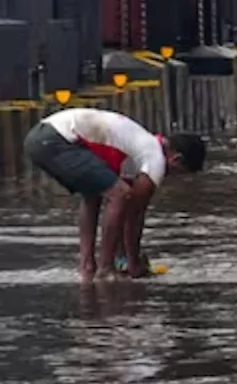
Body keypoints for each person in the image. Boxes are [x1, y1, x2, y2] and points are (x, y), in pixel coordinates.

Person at [23, 108, 206, 281]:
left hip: (42, 135)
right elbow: (134, 215)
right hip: (55, 140)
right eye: (177, 173)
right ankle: (105, 270)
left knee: (94, 194)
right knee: (119, 193)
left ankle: (88, 267)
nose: (170, 178)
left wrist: (123, 257)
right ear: (176, 159)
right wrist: (134, 263)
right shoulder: (154, 158)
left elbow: (122, 214)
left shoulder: (135, 153)